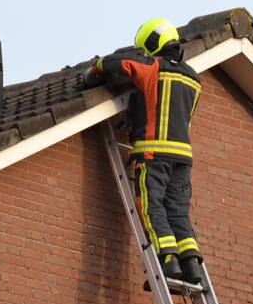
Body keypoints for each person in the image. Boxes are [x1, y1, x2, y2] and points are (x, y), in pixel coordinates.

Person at [82, 17, 204, 286]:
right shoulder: (194, 80)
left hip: (153, 154)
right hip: (183, 159)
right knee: (178, 212)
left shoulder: (153, 67)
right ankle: (191, 264)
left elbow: (119, 64)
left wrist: (94, 70)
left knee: (151, 207)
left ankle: (168, 261)